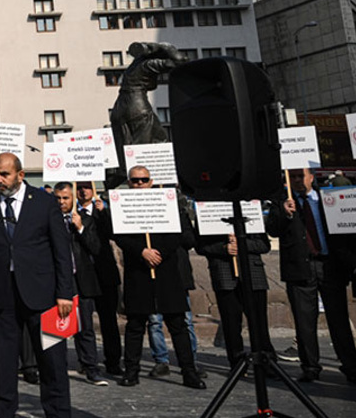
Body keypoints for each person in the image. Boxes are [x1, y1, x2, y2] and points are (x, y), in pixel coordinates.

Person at [0, 153, 75, 418]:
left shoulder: (44, 203)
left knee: (52, 360)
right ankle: (4, 416)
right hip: (1, 295)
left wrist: (65, 293)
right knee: (2, 359)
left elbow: (61, 251)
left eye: (5, 175)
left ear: (20, 174)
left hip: (45, 296)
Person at [114, 166, 204, 390]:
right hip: (139, 272)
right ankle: (131, 372)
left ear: (151, 181)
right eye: (135, 181)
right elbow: (120, 235)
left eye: (144, 180)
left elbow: (178, 234)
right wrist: (142, 251)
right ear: (129, 182)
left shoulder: (168, 202)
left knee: (178, 325)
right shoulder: (122, 205)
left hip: (166, 271)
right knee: (135, 326)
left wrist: (158, 253)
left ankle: (189, 372)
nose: (140, 184)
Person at [270, 169, 356, 383]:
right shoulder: (283, 202)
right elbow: (273, 229)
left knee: (338, 320)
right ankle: (310, 366)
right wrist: (284, 212)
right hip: (300, 268)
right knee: (304, 321)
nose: (298, 181)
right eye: (294, 177)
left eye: (301, 176)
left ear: (311, 177)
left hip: (329, 266)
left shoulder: (327, 198)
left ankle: (351, 365)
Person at [196, 203, 275, 371]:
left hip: (252, 275)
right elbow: (201, 246)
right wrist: (224, 248)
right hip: (225, 275)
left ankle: (267, 361)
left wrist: (241, 244)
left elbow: (264, 245)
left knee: (259, 322)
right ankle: (238, 364)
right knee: (231, 324)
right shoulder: (207, 210)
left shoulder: (249, 206)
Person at [51, 183, 110, 386]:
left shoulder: (86, 219)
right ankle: (55, 369)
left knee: (85, 326)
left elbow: (96, 247)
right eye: (58, 198)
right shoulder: (50, 220)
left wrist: (80, 228)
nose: (61, 202)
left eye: (65, 198)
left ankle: (91, 367)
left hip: (81, 279)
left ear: (73, 198)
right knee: (56, 326)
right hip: (58, 281)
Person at [76, 181, 122, 375]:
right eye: (80, 187)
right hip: (83, 274)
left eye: (87, 186)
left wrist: (103, 213)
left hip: (104, 273)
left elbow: (113, 233)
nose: (84, 191)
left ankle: (113, 361)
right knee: (84, 322)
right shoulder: (72, 214)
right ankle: (88, 362)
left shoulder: (102, 211)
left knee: (109, 321)